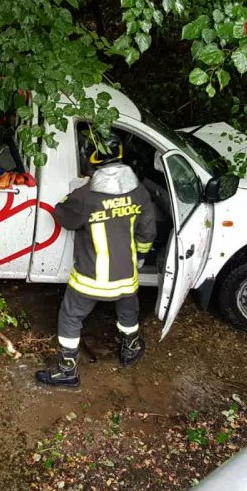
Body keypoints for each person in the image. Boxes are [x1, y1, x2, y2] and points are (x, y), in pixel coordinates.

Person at [36, 132, 157, 388]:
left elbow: (63, 216)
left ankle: (67, 371)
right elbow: (148, 233)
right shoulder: (140, 192)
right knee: (128, 311)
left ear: (91, 160)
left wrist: (66, 201)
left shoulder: (85, 197)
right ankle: (132, 348)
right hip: (126, 276)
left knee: (70, 316)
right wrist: (141, 257)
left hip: (90, 280)